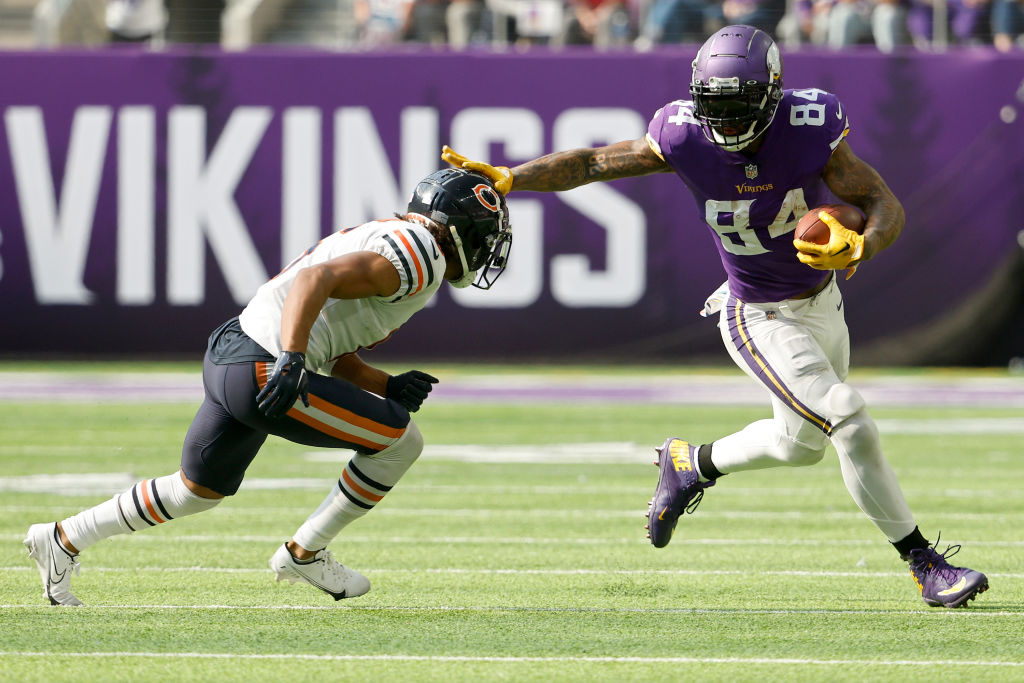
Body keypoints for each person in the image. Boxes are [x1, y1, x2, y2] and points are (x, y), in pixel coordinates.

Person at [441, 25, 989, 608]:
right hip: (757, 314)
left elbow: (883, 203)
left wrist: (863, 247)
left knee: (799, 445)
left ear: (773, 95)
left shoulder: (810, 128)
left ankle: (691, 464)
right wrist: (511, 178)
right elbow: (592, 162)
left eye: (738, 108)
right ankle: (924, 563)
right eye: (714, 108)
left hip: (822, 304)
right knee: (848, 418)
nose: (725, 123)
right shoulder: (681, 134)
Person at [24, 168, 513, 606]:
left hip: (233, 350)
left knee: (196, 490)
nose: (490, 248)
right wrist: (293, 357)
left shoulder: (396, 238)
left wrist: (383, 384)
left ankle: (62, 538)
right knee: (399, 443)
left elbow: (333, 344)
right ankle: (306, 552)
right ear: (460, 233)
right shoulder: (419, 253)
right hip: (264, 363)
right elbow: (313, 282)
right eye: (486, 235)